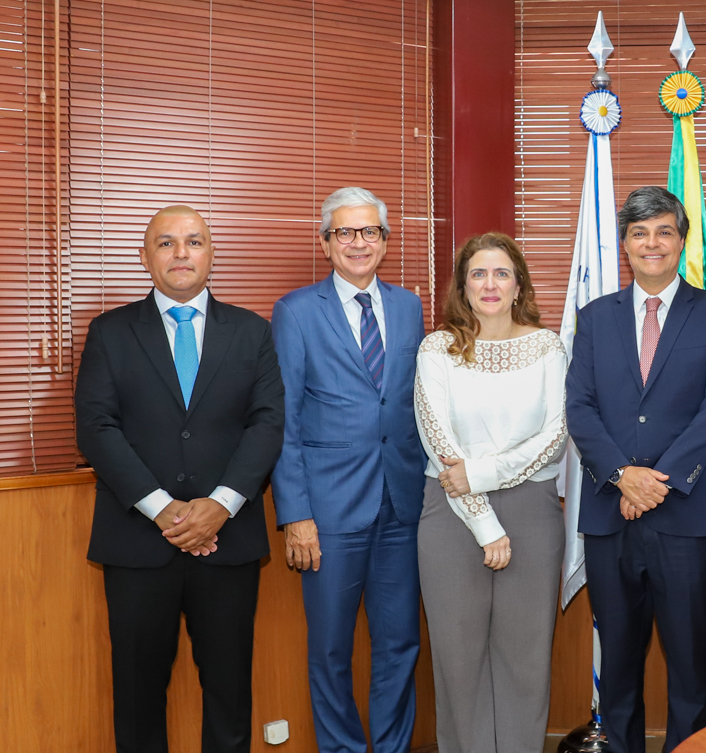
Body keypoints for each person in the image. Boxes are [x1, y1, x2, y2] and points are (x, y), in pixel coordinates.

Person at [74, 206, 285, 753]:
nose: (181, 254)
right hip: (138, 543)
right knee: (139, 696)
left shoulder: (252, 332)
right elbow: (96, 428)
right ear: (145, 258)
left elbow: (268, 423)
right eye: (166, 243)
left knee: (230, 693)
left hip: (229, 541)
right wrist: (162, 508)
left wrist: (220, 504)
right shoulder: (110, 332)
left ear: (212, 253)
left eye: (193, 241)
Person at [565, 186, 706, 753]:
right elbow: (580, 406)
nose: (652, 243)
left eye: (665, 231)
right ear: (624, 243)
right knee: (617, 658)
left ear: (682, 240)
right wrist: (623, 475)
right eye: (640, 233)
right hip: (610, 515)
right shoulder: (594, 318)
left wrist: (654, 482)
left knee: (690, 659)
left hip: (687, 517)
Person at [270, 187, 426, 753]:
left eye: (369, 232)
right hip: (329, 513)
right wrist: (296, 515)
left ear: (385, 241)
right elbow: (281, 420)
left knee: (399, 645)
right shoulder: (295, 311)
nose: (357, 243)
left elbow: (411, 407)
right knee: (331, 650)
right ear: (326, 242)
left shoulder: (410, 308)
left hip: (403, 506)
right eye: (344, 232)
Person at [414, 232, 567, 753]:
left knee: (526, 657)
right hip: (451, 513)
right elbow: (438, 439)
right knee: (458, 658)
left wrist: (483, 475)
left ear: (519, 282)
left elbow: (554, 434)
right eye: (477, 273)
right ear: (462, 285)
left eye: (501, 272)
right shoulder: (437, 348)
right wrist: (483, 519)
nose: (490, 283)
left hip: (532, 509)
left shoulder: (547, 346)